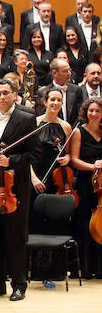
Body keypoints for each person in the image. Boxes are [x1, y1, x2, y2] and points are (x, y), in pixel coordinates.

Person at [0, 79, 40, 301]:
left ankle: (18, 284)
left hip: (14, 188)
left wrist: (11, 160)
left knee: (15, 237)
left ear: (15, 95)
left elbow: (35, 154)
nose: (2, 97)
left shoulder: (26, 119)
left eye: (6, 93)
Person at [69, 97, 102, 278]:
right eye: (91, 111)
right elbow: (74, 160)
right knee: (84, 223)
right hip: (85, 183)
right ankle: (86, 269)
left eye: (97, 111)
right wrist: (93, 167)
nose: (94, 114)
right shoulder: (78, 132)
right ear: (86, 113)